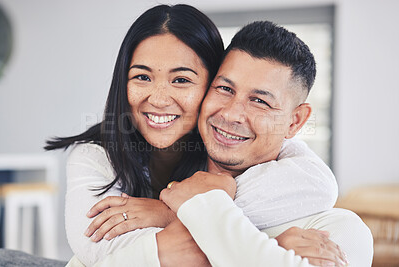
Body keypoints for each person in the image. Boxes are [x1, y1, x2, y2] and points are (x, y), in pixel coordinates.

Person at [45, 4, 341, 266]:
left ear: (210, 83)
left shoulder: (223, 145)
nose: (159, 99)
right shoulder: (94, 154)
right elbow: (98, 250)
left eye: (182, 79)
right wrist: (269, 249)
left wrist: (167, 211)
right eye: (142, 77)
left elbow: (318, 185)